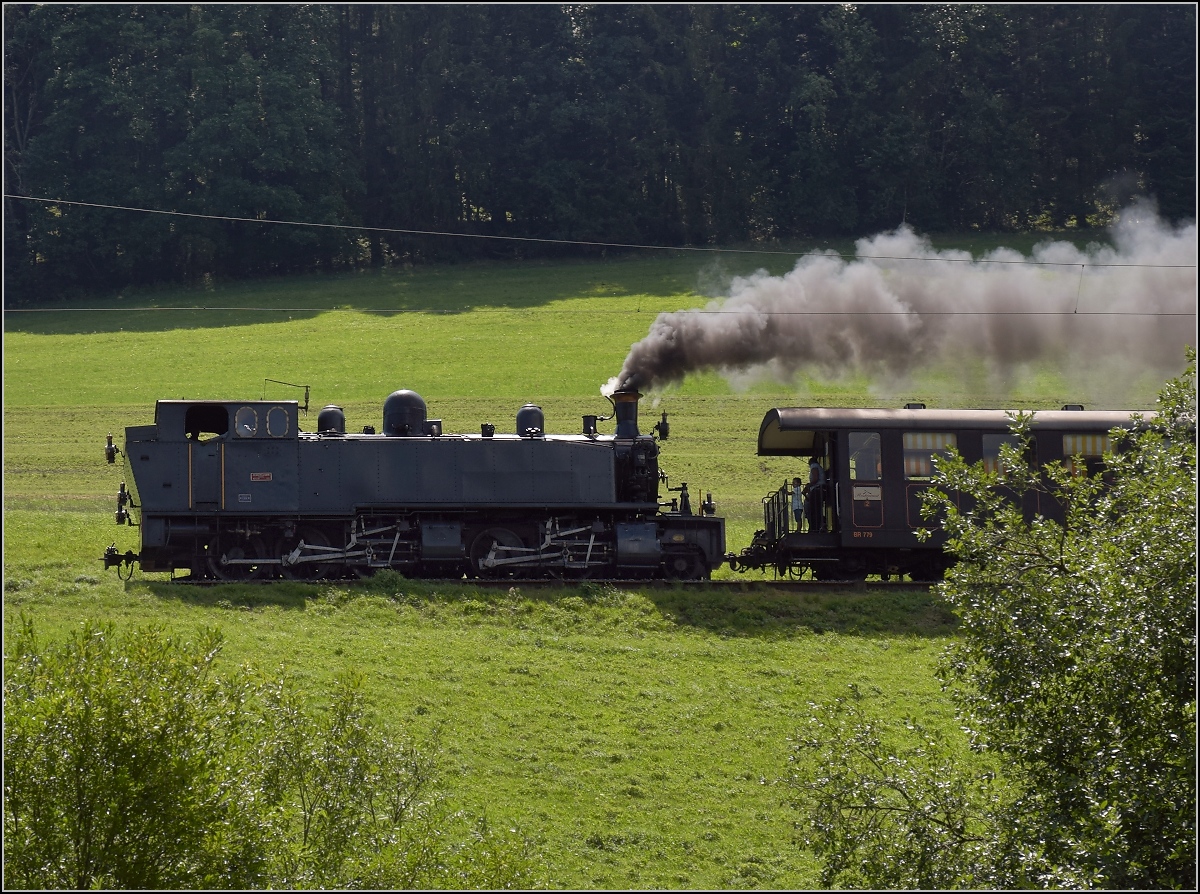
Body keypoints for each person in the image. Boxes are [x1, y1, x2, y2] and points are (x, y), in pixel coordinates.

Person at [805, 459, 826, 533]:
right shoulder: (819, 467)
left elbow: (815, 478)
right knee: (816, 510)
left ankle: (814, 528)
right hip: (820, 489)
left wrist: (809, 485)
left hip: (817, 490)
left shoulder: (814, 466)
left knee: (814, 510)